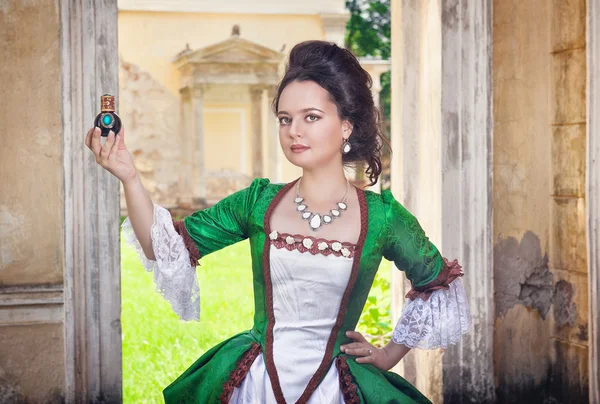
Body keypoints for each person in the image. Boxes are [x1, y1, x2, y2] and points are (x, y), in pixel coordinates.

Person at [85, 40, 471, 404]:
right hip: (256, 383)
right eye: (285, 119)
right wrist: (129, 177)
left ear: (347, 126)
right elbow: (163, 245)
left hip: (336, 388)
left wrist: (389, 354)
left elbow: (435, 278)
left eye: (312, 117)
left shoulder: (383, 217)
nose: (294, 131)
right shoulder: (258, 203)